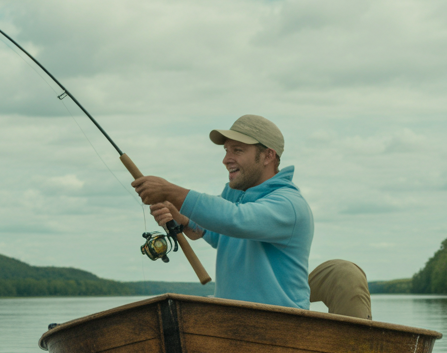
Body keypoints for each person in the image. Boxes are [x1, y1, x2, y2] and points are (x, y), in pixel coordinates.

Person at [132, 115, 314, 309]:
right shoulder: (234, 194)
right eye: (226, 150)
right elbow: (216, 231)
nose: (226, 159)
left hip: (283, 327)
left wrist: (171, 192)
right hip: (230, 323)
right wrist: (183, 220)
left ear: (268, 156)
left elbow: (236, 220)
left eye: (237, 150)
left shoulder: (289, 204)